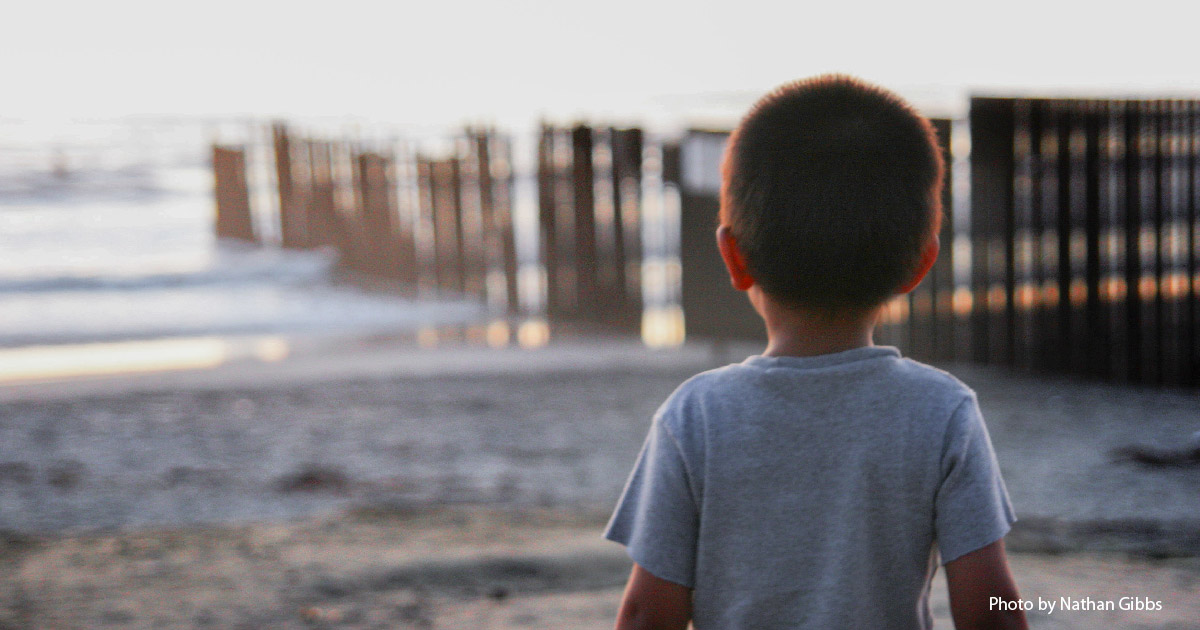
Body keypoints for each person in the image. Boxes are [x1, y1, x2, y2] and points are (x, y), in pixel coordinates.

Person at [603, 75, 1028, 630]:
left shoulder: (696, 415)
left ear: (733, 258)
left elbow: (645, 612)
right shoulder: (942, 411)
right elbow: (990, 608)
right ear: (921, 265)